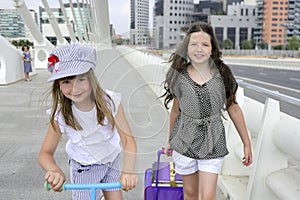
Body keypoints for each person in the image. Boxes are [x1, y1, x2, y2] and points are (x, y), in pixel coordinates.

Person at [161, 22, 252, 200]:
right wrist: (170, 140)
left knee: (207, 196)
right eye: (194, 44)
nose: (199, 49)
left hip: (213, 138)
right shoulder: (180, 75)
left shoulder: (222, 73)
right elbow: (175, 111)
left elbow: (233, 108)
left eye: (205, 44)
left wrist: (246, 143)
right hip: (184, 138)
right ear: (186, 48)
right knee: (190, 194)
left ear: (212, 49)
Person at [38, 44, 138, 200]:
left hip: (111, 161)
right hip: (83, 168)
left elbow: (128, 139)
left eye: (81, 79)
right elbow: (45, 153)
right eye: (66, 82)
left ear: (92, 78)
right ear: (58, 84)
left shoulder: (110, 102)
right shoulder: (61, 114)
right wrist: (54, 170)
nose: (75, 88)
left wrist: (129, 170)